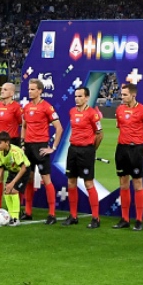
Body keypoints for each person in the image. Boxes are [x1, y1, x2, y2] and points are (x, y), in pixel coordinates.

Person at [19, 79, 62, 224]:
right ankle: (28, 211)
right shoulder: (27, 107)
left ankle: (52, 214)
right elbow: (24, 126)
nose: (29, 91)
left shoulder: (47, 107)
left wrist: (53, 148)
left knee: (46, 179)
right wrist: (23, 143)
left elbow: (59, 128)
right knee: (29, 178)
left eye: (32, 89)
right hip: (29, 147)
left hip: (41, 147)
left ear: (40, 91)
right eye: (29, 89)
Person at [111, 81, 143, 230]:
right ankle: (125, 218)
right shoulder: (120, 109)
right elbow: (120, 128)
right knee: (123, 183)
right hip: (121, 149)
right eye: (122, 94)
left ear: (133, 95)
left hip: (136, 150)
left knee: (137, 184)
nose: (122, 97)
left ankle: (139, 220)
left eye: (125, 95)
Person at [64, 85, 103, 228]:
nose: (77, 98)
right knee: (71, 182)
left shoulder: (93, 114)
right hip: (73, 149)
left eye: (80, 96)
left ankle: (95, 218)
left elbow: (100, 134)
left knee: (88, 183)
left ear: (87, 98)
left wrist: (92, 150)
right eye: (76, 96)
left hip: (86, 150)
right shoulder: (72, 111)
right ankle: (73, 216)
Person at [0, 81, 23, 215]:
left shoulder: (16, 107)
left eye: (5, 89)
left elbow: (22, 123)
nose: (1, 91)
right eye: (1, 88)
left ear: (11, 93)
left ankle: (16, 207)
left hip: (12, 143)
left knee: (14, 174)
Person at [0, 132, 31, 226]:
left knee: (13, 191)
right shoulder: (0, 153)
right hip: (12, 171)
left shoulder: (15, 152)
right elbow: (0, 167)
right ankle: (10, 215)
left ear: (7, 143)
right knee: (6, 191)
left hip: (23, 172)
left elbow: (23, 168)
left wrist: (13, 183)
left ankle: (16, 218)